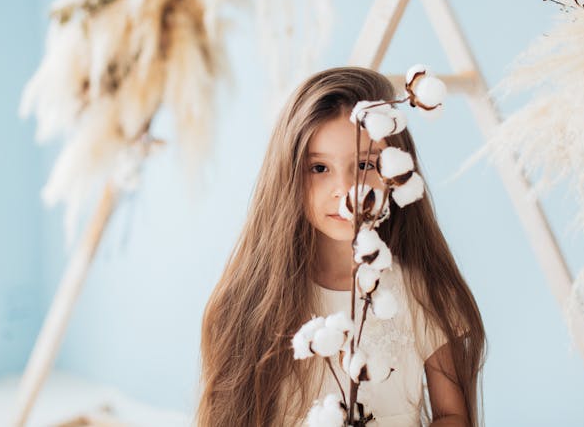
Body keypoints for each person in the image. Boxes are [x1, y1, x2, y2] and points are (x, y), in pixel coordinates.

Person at [197, 67, 485, 426]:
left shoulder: (423, 292)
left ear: (398, 170)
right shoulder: (251, 300)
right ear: (287, 175)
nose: (346, 188)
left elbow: (452, 414)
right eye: (319, 168)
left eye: (364, 165)